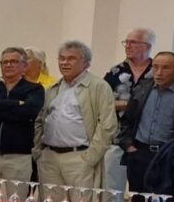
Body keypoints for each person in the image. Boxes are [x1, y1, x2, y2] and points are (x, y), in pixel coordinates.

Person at [32, 40, 117, 190]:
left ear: (86, 63)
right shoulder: (52, 88)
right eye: (62, 58)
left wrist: (90, 158)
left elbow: (107, 125)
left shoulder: (99, 86)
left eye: (71, 59)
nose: (65, 63)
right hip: (49, 157)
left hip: (79, 156)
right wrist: (39, 151)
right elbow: (40, 121)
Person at [117, 51, 174, 202]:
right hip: (139, 152)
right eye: (155, 67)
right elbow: (127, 119)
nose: (159, 72)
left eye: (165, 68)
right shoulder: (142, 88)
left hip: (167, 156)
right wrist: (129, 146)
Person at [0, 47, 44, 181]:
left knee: (15, 200)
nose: (8, 65)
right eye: (4, 62)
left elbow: (29, 112)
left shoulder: (35, 89)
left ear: (24, 66)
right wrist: (17, 104)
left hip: (19, 157)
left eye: (13, 61)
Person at [103, 28, 155, 197]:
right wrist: (132, 105)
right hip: (116, 138)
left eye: (133, 42)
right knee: (112, 191)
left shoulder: (157, 71)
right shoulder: (115, 72)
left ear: (147, 46)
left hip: (144, 141)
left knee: (144, 193)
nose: (128, 46)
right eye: (126, 42)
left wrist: (124, 104)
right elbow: (103, 102)